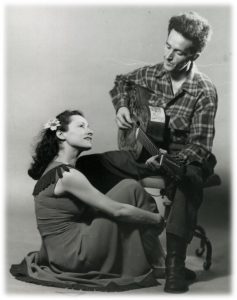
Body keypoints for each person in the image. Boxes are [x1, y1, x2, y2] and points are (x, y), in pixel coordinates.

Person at [77, 12, 218, 293]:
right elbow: (121, 82)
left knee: (188, 178)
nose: (168, 56)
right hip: (143, 153)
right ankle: (95, 245)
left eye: (178, 52)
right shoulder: (151, 73)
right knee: (86, 166)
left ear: (195, 55)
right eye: (168, 46)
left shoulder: (204, 91)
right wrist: (122, 108)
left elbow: (200, 145)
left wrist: (169, 160)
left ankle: (175, 268)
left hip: (182, 157)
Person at [10, 110, 166, 292]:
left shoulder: (56, 169)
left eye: (89, 126)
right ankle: (160, 262)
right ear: (60, 134)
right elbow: (117, 211)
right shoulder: (68, 175)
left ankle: (158, 262)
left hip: (57, 253)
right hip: (75, 254)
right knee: (130, 188)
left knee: (129, 188)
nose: (90, 131)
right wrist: (156, 220)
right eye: (81, 126)